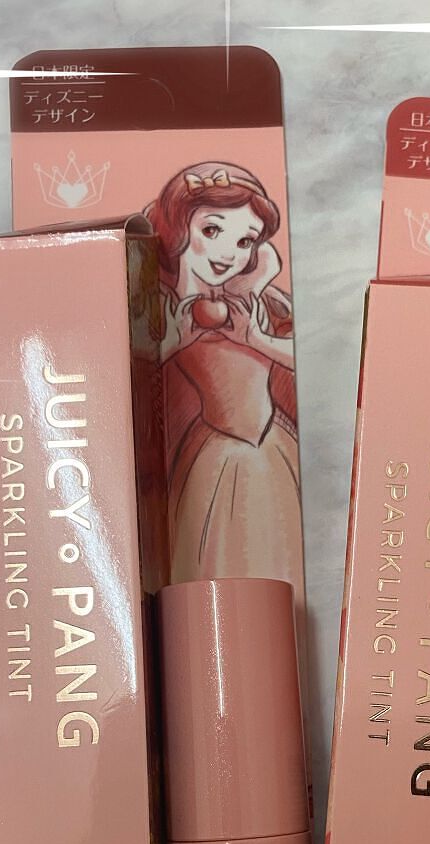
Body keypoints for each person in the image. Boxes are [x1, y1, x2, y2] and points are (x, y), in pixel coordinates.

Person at [145, 163, 302, 587]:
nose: (229, 253)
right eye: (212, 230)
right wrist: (173, 343)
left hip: (272, 447)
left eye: (245, 240)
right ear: (178, 229)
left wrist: (256, 338)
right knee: (213, 563)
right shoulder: (156, 310)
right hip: (212, 459)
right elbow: (117, 392)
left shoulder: (261, 305)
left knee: (277, 556)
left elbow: (298, 359)